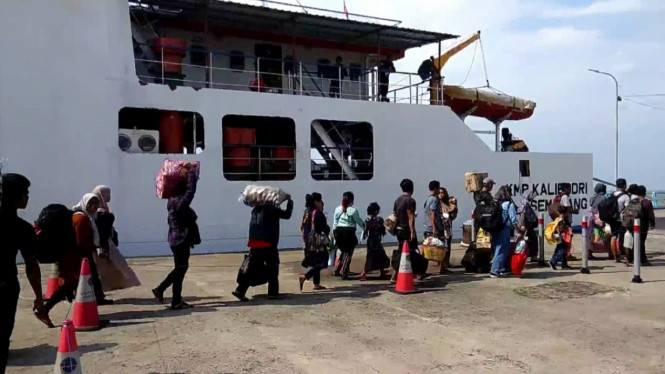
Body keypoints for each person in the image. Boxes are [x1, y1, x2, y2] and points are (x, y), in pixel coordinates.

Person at [1, 173, 52, 372]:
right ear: (17, 197)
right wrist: (39, 298)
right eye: (26, 193)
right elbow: (32, 267)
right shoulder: (21, 228)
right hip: (5, 290)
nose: (28, 197)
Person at [152, 167, 200, 310]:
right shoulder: (180, 203)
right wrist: (191, 172)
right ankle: (162, 290)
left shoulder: (171, 201)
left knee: (180, 268)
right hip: (181, 239)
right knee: (181, 268)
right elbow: (191, 191)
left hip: (175, 239)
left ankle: (176, 299)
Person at [233, 194, 293, 301]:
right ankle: (273, 293)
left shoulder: (255, 209)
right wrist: (290, 202)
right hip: (268, 243)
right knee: (273, 267)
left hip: (255, 243)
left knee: (251, 268)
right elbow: (287, 215)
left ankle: (240, 290)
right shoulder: (271, 209)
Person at [91, 185, 141, 292]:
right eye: (106, 194)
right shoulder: (99, 210)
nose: (109, 196)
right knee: (113, 266)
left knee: (110, 267)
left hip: (106, 243)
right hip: (104, 244)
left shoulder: (102, 208)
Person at [71, 193, 113, 305]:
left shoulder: (90, 217)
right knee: (88, 277)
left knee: (93, 276)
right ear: (85, 203)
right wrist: (94, 247)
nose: (94, 206)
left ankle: (98, 298)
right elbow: (80, 241)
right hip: (82, 253)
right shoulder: (81, 218)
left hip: (86, 252)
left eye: (96, 203)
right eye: (91, 203)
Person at [391, 179, 428, 281]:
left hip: (398, 230)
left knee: (401, 250)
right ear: (412, 188)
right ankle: (419, 273)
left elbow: (394, 214)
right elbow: (410, 216)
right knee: (412, 251)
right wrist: (412, 231)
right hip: (406, 230)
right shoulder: (410, 201)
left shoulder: (397, 200)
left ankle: (394, 275)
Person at [299, 193, 330, 291]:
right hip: (317, 242)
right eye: (321, 201)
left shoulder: (307, 212)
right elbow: (325, 229)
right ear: (316, 202)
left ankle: (316, 284)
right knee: (323, 262)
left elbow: (302, 226)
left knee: (315, 263)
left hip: (308, 241)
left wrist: (304, 240)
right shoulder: (317, 213)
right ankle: (305, 277)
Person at [333, 191, 365, 279]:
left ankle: (338, 269)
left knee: (343, 251)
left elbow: (335, 223)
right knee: (349, 252)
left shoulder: (337, 209)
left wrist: (334, 235)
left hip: (338, 232)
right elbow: (359, 221)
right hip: (349, 233)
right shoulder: (353, 211)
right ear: (352, 200)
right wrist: (365, 228)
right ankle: (344, 271)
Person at [491, 186, 519, 278]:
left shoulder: (495, 203)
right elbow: (513, 218)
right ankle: (495, 270)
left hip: (495, 228)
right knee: (502, 249)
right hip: (504, 228)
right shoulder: (509, 204)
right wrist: (517, 229)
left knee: (497, 249)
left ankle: (500, 268)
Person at [359, 202, 390, 281]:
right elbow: (383, 231)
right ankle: (381, 272)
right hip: (377, 240)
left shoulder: (367, 220)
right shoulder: (379, 219)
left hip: (370, 240)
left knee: (370, 256)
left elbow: (365, 231)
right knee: (381, 255)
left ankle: (364, 273)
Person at [438, 187, 458, 273]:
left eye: (442, 193)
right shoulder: (437, 203)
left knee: (448, 245)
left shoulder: (448, 203)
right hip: (441, 226)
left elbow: (453, 215)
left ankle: (447, 262)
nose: (441, 194)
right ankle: (441, 264)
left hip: (448, 226)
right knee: (441, 245)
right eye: (439, 193)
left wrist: (454, 209)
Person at [610, 178, 631, 263]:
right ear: (625, 186)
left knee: (614, 236)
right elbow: (628, 209)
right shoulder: (625, 196)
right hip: (621, 219)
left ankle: (615, 257)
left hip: (612, 219)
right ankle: (626, 257)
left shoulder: (612, 195)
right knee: (624, 237)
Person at [517, 190, 539, 262]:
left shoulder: (524, 202)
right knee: (532, 239)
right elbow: (523, 214)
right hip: (526, 225)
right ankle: (532, 255)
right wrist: (522, 225)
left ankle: (529, 255)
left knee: (529, 240)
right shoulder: (525, 204)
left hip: (527, 225)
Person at [549, 205, 573, 270]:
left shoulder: (557, 219)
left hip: (557, 236)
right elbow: (561, 229)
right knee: (562, 250)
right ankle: (553, 261)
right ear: (565, 213)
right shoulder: (561, 221)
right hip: (561, 237)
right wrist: (568, 229)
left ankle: (564, 264)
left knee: (558, 249)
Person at [637, 185, 655, 266]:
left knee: (635, 241)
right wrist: (652, 223)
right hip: (643, 225)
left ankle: (632, 258)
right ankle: (643, 260)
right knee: (641, 241)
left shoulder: (633, 201)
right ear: (644, 193)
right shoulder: (647, 202)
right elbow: (651, 215)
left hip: (632, 224)